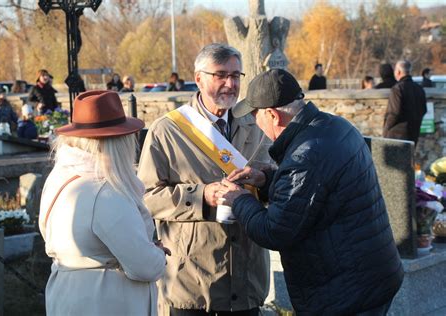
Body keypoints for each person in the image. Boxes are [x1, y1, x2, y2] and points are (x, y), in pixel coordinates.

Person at [216, 68, 404, 315]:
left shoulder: (305, 155)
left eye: (254, 115)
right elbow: (315, 193)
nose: (254, 122)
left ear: (272, 115)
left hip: (344, 292)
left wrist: (239, 200)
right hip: (369, 275)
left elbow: (275, 231)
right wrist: (267, 179)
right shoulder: (334, 126)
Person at [138, 43, 271, 315]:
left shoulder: (257, 124)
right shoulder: (167, 131)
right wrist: (201, 196)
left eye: (236, 76)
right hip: (192, 284)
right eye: (220, 75)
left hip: (247, 277)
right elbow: (145, 197)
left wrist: (263, 179)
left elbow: (278, 179)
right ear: (198, 78)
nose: (230, 83)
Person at [39, 90, 169, 315]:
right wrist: (157, 255)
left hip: (67, 294)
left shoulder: (60, 175)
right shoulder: (106, 192)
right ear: (118, 142)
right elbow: (144, 266)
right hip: (107, 300)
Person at [383, 60, 427, 144]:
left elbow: (394, 113)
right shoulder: (419, 88)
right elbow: (423, 110)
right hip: (413, 134)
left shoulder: (397, 89)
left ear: (398, 72)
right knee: (409, 157)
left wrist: (385, 130)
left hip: (396, 136)